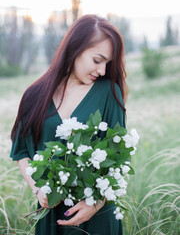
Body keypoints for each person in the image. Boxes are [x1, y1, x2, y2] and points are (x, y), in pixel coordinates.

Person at [10, 14, 128, 235]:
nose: (102, 70)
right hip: (52, 213)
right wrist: (38, 189)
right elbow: (21, 152)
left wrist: (96, 203)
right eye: (97, 60)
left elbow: (118, 157)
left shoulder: (109, 93)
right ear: (76, 47)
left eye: (107, 63)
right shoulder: (34, 95)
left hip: (97, 216)